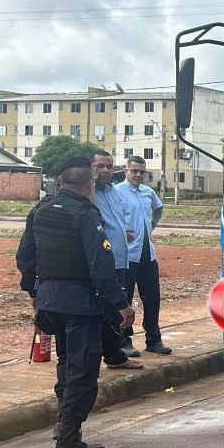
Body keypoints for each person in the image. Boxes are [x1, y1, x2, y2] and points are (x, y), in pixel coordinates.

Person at [16, 157, 136, 448]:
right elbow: (101, 267)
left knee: (67, 362)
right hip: (79, 303)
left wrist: (33, 292)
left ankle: (65, 426)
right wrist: (122, 304)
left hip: (49, 302)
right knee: (82, 370)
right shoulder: (86, 214)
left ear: (60, 181)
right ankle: (68, 441)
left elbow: (25, 256)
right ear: (89, 184)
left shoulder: (40, 210)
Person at [91, 150, 144, 367]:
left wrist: (123, 230)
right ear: (90, 169)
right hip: (101, 262)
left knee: (115, 310)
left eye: (109, 166)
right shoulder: (88, 192)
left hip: (120, 260)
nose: (105, 170)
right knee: (103, 310)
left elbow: (113, 220)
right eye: (100, 166)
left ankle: (115, 355)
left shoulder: (112, 191)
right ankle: (106, 355)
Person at [116, 156, 171, 355]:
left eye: (142, 171)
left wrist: (152, 225)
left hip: (148, 255)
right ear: (126, 171)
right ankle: (124, 341)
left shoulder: (148, 192)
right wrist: (120, 230)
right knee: (125, 299)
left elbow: (159, 207)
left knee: (152, 299)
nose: (138, 174)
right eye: (134, 170)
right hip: (128, 256)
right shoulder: (116, 192)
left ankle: (154, 340)